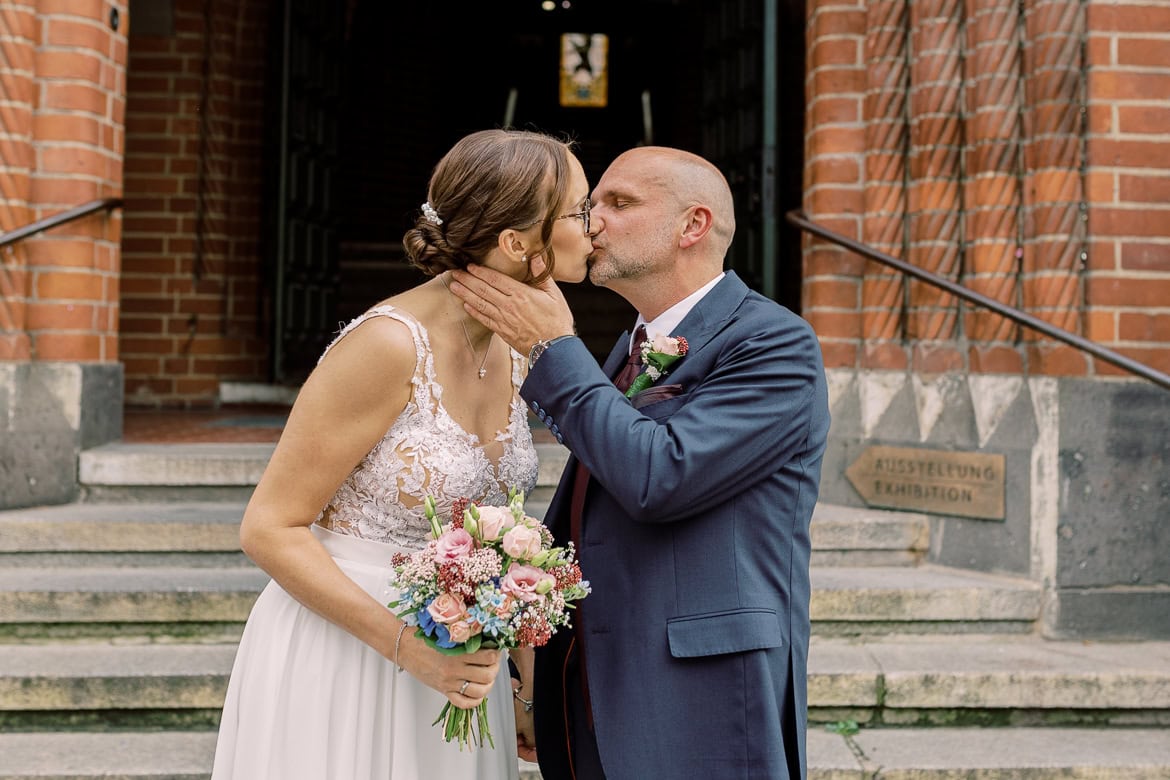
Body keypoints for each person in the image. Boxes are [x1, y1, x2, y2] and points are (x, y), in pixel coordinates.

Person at [210, 128, 594, 780]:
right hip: (346, 653)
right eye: (580, 212)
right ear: (517, 242)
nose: (596, 227)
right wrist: (411, 649)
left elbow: (505, 540)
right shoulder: (387, 346)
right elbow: (269, 528)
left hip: (462, 661)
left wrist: (525, 684)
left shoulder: (519, 347)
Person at [448, 146, 830, 779]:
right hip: (594, 688)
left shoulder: (775, 343)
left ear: (693, 226)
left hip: (700, 696)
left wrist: (552, 348)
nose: (590, 220)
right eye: (591, 203)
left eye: (619, 203)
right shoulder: (630, 346)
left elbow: (659, 477)